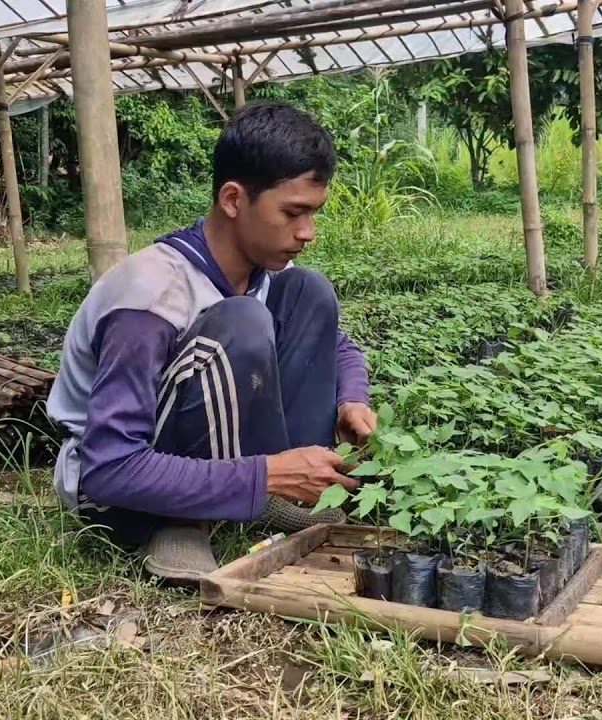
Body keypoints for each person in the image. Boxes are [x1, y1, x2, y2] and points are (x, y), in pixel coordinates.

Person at [47, 102, 377, 583]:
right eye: (293, 212)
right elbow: (109, 467)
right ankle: (183, 524)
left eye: (313, 213)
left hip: (222, 467)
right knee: (242, 323)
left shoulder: (261, 273)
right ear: (232, 199)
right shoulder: (152, 296)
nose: (308, 232)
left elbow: (337, 347)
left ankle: (289, 496)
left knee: (310, 291)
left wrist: (352, 399)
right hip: (119, 497)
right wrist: (264, 474)